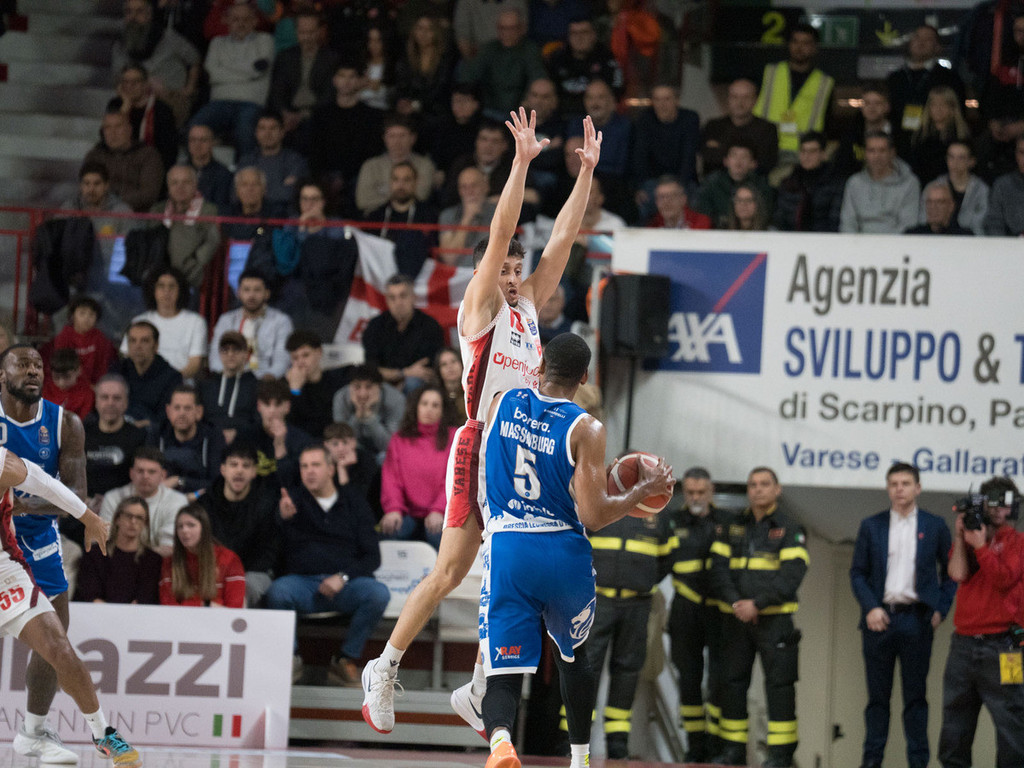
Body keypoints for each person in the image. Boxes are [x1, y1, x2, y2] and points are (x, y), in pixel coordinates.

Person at [361, 108, 602, 737]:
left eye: (518, 270)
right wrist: (520, 164)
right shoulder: (480, 304)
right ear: (484, 272)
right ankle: (384, 667)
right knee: (450, 571)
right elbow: (501, 231)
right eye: (504, 268)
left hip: (524, 443)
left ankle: (476, 689)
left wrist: (585, 174)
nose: (513, 277)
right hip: (480, 444)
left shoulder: (529, 306)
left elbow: (562, 241)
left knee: (511, 563)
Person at [476, 332, 674, 768]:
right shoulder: (587, 428)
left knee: (503, 673)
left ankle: (501, 743)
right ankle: (580, 759)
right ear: (584, 377)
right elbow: (594, 515)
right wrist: (641, 490)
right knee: (573, 657)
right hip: (562, 552)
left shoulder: (501, 402)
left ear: (541, 364)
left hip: (510, 546)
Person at [0, 445, 142, 767]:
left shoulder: (1, 463)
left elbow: (43, 482)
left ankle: (103, 733)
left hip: (5, 574)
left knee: (59, 649)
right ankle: (33, 735)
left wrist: (88, 517)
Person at [1, 345, 90, 765]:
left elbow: (77, 497)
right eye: (23, 365)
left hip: (38, 541)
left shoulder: (65, 423)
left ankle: (34, 731)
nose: (33, 371)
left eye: (38, 365)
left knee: (57, 639)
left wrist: (18, 505)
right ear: (2, 375)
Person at [849, 462, 957, 768]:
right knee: (877, 701)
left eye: (905, 483)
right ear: (888, 488)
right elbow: (857, 573)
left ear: (918, 488)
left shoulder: (935, 525)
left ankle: (918, 763)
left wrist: (940, 610)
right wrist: (871, 607)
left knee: (916, 700)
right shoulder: (872, 525)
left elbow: (951, 574)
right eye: (894, 484)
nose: (899, 489)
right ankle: (871, 762)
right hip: (878, 620)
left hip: (917, 621)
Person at [266, 444, 391, 686]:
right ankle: (291, 658)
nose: (309, 471)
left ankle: (345, 659)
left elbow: (372, 557)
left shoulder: (354, 501)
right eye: (304, 466)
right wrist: (281, 520)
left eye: (316, 465)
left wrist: (343, 577)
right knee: (277, 592)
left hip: (345, 586)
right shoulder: (291, 502)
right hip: (302, 585)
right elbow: (272, 550)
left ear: (331, 469)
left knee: (378, 594)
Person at [710, 467, 808, 768]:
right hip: (736, 620)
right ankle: (733, 752)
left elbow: (791, 576)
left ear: (777, 490)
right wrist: (737, 604)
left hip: (775, 622)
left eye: (765, 484)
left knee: (779, 687)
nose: (758, 489)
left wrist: (758, 605)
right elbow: (718, 570)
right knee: (732, 684)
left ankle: (780, 755)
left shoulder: (790, 527)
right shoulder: (731, 526)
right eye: (752, 484)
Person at [584, 455, 675, 760]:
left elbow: (668, 557)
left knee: (628, 671)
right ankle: (571, 738)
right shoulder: (598, 502)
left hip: (637, 603)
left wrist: (642, 581)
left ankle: (618, 743)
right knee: (586, 668)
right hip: (597, 601)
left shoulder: (658, 511)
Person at [937, 476, 1024, 767]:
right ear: (983, 504)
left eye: (1004, 503)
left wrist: (983, 547)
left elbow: (1004, 579)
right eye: (992, 502)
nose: (998, 509)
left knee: (1013, 723)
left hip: (1008, 645)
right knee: (954, 725)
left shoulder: (1018, 542)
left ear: (1012, 507)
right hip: (963, 644)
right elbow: (957, 574)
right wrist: (961, 537)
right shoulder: (970, 538)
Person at [666, 467, 732, 763]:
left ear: (711, 491)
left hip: (719, 611)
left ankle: (716, 745)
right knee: (689, 679)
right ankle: (695, 746)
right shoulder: (672, 521)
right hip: (685, 608)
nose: (695, 497)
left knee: (719, 678)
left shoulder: (726, 522)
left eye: (701, 492)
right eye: (690, 492)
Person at [189, 0, 275, 159]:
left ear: (255, 21)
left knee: (245, 133)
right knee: (195, 127)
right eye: (235, 19)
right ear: (227, 21)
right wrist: (247, 72)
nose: (241, 24)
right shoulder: (217, 43)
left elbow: (258, 70)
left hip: (251, 103)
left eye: (246, 19)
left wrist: (225, 69)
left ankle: (247, 171)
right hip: (219, 102)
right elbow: (211, 74)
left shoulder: (265, 40)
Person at [198, 442, 280, 606]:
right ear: (223, 469)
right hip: (212, 570)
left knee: (241, 588)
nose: (239, 470)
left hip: (253, 572)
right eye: (233, 464)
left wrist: (234, 573)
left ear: (254, 471)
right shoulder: (205, 504)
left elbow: (268, 553)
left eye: (246, 465)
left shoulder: (267, 504)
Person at [380, 384, 459, 549]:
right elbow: (391, 479)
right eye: (424, 403)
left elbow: (455, 479)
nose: (429, 409)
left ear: (442, 411)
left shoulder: (454, 437)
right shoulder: (399, 439)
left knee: (438, 534)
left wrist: (439, 509)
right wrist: (393, 508)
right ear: (416, 407)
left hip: (443, 512)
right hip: (407, 513)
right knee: (390, 529)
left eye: (435, 405)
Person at [753, 23, 835, 165]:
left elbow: (828, 122)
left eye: (805, 43)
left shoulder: (824, 83)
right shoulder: (770, 72)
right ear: (789, 45)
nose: (799, 47)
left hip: (803, 154)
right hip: (765, 148)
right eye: (795, 41)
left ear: (815, 48)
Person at [111, 0, 200, 126]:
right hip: (136, 98)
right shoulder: (120, 45)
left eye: (139, 12)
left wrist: (189, 88)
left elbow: (194, 59)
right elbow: (118, 77)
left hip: (170, 97)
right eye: (129, 12)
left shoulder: (168, 38)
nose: (133, 17)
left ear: (149, 14)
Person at [886, 25, 965, 158]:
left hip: (937, 145)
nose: (921, 42)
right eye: (917, 37)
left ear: (937, 47)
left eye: (928, 39)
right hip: (899, 144)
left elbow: (958, 114)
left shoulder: (949, 78)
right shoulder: (895, 78)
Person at [267, 9, 339, 149]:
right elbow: (276, 92)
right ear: (296, 32)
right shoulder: (285, 57)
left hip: (317, 114)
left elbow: (329, 95)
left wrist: (303, 115)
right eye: (302, 32)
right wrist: (285, 113)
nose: (307, 37)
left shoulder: (331, 59)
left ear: (319, 31)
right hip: (288, 113)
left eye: (311, 32)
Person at [362, 274, 446, 395]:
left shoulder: (429, 327)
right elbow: (371, 370)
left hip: (419, 387)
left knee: (413, 383)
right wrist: (404, 373)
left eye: (403, 296)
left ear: (413, 297)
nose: (398, 302)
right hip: (382, 386)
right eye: (392, 298)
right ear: (386, 300)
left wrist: (402, 378)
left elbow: (428, 371)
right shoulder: (375, 327)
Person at [100, 446, 190, 556]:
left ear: (163, 475)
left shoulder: (177, 501)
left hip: (160, 563)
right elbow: (103, 541)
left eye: (151, 472)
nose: (145, 476)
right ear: (131, 473)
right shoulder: (113, 498)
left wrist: (139, 558)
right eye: (140, 471)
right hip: (116, 561)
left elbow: (169, 548)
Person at [121, 267, 208, 378]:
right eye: (161, 286)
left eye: (172, 286)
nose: (167, 292)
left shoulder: (196, 322)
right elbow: (128, 357)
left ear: (180, 291)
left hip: (181, 385)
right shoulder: (139, 322)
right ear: (153, 290)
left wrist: (168, 382)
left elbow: (194, 364)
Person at [74, 496, 162, 604]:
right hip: (97, 611)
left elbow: (146, 597)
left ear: (145, 523)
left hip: (136, 613)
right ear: (117, 519)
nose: (133, 521)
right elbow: (89, 593)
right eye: (128, 516)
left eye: (139, 518)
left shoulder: (152, 560)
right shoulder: (95, 554)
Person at [210, 269, 294, 380]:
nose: (251, 295)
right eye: (246, 290)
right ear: (238, 293)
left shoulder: (281, 321)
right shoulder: (227, 320)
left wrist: (266, 380)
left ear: (267, 294)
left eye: (257, 290)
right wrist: (226, 377)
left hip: (265, 381)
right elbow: (215, 356)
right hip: (230, 379)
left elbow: (282, 360)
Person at [632, 83, 700, 216]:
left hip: (683, 179)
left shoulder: (690, 119)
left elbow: (689, 156)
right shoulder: (644, 120)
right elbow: (639, 157)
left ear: (677, 100)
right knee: (645, 197)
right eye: (657, 99)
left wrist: (677, 187)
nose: (662, 105)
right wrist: (639, 186)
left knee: (689, 197)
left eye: (667, 99)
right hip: (653, 181)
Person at [159, 503, 246, 607]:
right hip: (180, 617)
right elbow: (167, 604)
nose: (184, 530)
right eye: (180, 526)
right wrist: (205, 605)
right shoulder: (170, 562)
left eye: (191, 525)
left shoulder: (229, 559)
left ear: (204, 528)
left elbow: (235, 607)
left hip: (218, 617)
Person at [463, 9, 546, 117]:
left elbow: (537, 78)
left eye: (512, 28)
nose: (507, 33)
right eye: (503, 28)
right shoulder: (488, 49)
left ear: (521, 29)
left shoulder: (530, 50)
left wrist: (527, 103)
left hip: (521, 110)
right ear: (497, 29)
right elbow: (469, 76)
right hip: (489, 110)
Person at [364, 161, 440, 278]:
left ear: (415, 183)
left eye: (406, 180)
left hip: (418, 277)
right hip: (379, 275)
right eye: (396, 179)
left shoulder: (429, 215)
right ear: (390, 182)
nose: (401, 185)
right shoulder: (375, 216)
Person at [235, 378, 313, 489]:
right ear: (259, 406)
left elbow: (292, 483)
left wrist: (280, 445)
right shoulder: (245, 435)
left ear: (287, 407)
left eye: (278, 404)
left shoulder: (301, 441)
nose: (272, 411)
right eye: (267, 404)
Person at [150, 384, 225, 494]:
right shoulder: (157, 434)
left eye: (187, 408)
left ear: (199, 412)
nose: (182, 413)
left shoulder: (213, 437)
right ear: (168, 411)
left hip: (201, 499)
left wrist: (179, 481)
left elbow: (217, 482)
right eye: (177, 408)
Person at [839, 131, 921, 234]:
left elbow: (908, 224)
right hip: (858, 242)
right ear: (865, 154)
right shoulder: (854, 183)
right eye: (871, 151)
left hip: (896, 242)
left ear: (892, 153)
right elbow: (847, 223)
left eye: (882, 151)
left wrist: (883, 243)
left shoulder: (910, 183)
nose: (877, 156)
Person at [82, 110, 163, 212]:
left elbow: (148, 194)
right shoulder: (94, 155)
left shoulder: (148, 155)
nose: (113, 132)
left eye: (118, 126)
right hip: (96, 210)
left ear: (129, 130)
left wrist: (111, 203)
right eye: (108, 127)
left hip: (132, 213)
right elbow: (84, 187)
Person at [85, 374, 148, 504]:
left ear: (126, 403)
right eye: (104, 397)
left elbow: (142, 479)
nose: (110, 403)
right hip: (84, 505)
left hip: (123, 505)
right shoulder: (82, 433)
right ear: (96, 401)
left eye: (117, 398)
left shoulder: (140, 437)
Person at [700, 78, 779, 179]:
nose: (740, 102)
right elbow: (707, 158)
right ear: (728, 99)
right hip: (715, 183)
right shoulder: (713, 126)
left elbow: (766, 163)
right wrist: (746, 159)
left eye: (746, 97)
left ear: (755, 100)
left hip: (753, 184)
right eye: (735, 97)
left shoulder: (767, 129)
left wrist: (724, 153)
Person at [544, 17, 622, 116]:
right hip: (563, 116)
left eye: (584, 32)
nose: (579, 38)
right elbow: (548, 92)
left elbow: (617, 91)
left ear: (593, 35)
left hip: (599, 116)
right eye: (574, 33)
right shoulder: (557, 59)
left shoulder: (607, 58)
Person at [108, 63, 179, 171]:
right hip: (120, 165)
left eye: (135, 82)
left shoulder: (162, 110)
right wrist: (125, 109)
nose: (129, 86)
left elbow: (169, 150)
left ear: (145, 84)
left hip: (152, 168)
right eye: (125, 82)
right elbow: (108, 139)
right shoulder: (116, 105)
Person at [284, 330, 352, 438]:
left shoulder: (337, 379)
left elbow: (323, 420)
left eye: (305, 355)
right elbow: (291, 424)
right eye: (295, 358)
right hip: (305, 443)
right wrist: (295, 390)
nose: (301, 362)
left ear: (319, 352)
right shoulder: (286, 387)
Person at [237, 111, 310, 212]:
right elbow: (235, 195)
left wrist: (254, 193)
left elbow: (291, 194)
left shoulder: (295, 161)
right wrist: (279, 187)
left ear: (282, 132)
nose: (267, 133)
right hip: (250, 216)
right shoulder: (246, 161)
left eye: (273, 128)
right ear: (256, 133)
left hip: (284, 216)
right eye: (262, 128)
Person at [116, 320, 183, 430]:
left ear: (156, 346)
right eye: (133, 341)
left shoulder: (171, 377)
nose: (138, 346)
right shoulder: (117, 371)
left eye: (144, 341)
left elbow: (167, 417)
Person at [772, 131, 843, 232]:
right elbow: (779, 218)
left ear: (823, 154)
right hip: (790, 238)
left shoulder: (834, 184)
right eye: (803, 151)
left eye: (812, 151)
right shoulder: (789, 183)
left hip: (823, 238)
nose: (806, 156)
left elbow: (834, 221)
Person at [332, 365, 406, 461]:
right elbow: (341, 440)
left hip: (383, 451)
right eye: (357, 387)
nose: (362, 393)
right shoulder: (341, 397)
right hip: (354, 449)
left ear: (379, 386)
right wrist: (358, 415)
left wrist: (369, 416)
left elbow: (391, 445)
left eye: (368, 387)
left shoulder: (396, 399)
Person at [694, 141, 774, 229]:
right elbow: (701, 211)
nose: (738, 161)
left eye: (744, 157)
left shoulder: (762, 186)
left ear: (753, 163)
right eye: (734, 156)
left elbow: (767, 214)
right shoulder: (711, 184)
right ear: (725, 161)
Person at [199, 331, 259, 442]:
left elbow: (258, 421)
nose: (230, 354)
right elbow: (200, 419)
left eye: (236, 350)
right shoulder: (206, 385)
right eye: (225, 350)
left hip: (245, 442)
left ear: (246, 353)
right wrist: (216, 434)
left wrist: (238, 433)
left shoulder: (256, 386)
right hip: (211, 441)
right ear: (219, 354)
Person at [907, 86, 972, 186]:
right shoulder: (919, 134)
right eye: (934, 104)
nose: (938, 109)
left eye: (943, 104)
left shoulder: (961, 135)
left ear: (952, 108)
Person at [920, 140, 989, 235]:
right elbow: (923, 219)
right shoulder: (933, 187)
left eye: (961, 158)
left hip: (970, 240)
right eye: (951, 157)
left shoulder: (981, 190)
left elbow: (980, 224)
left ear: (972, 161)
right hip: (935, 238)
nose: (955, 162)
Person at [49, 295, 117, 387]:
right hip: (69, 385)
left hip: (95, 386)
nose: (86, 318)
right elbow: (61, 367)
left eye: (91, 314)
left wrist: (97, 385)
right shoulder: (63, 338)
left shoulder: (100, 338)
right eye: (82, 313)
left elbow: (103, 366)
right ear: (72, 316)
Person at [438, 166, 497, 262]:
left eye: (474, 185)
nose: (469, 192)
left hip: (491, 269)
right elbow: (449, 258)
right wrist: (467, 218)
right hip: (459, 270)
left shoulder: (499, 213)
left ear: (486, 187)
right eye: (464, 187)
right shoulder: (448, 215)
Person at [186, 124, 234, 212]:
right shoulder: (178, 172)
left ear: (212, 143)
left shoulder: (223, 175)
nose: (197, 144)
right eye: (193, 140)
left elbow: (221, 208)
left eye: (203, 140)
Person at [983, 134, 1024, 236]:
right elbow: (994, 223)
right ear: (1016, 155)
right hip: (1010, 243)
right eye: (1022, 152)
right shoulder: (1003, 185)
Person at [905, 182, 975, 235]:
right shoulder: (912, 236)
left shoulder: (964, 237)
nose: (933, 207)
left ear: (951, 206)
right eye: (929, 202)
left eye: (939, 202)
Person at [43, 349, 94, 420]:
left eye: (67, 377)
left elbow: (83, 421)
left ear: (78, 370)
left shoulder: (87, 393)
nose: (61, 383)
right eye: (56, 377)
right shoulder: (45, 389)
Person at [647, 175, 711, 230]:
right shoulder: (652, 227)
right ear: (656, 202)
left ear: (683, 199)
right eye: (661, 197)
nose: (666, 202)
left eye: (671, 196)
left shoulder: (701, 223)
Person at [433, 346, 467, 422]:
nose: (450, 367)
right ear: (438, 370)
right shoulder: (434, 395)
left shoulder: (473, 392)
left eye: (453, 361)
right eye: (444, 364)